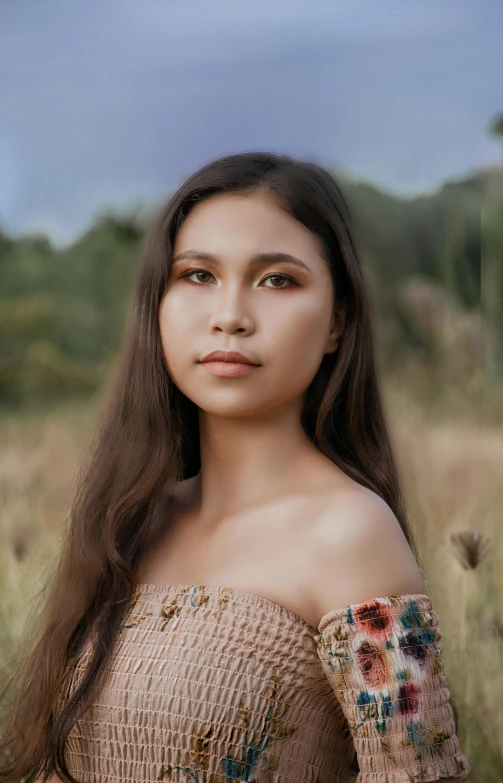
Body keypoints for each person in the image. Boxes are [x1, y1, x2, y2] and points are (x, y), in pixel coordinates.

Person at [0, 151, 471, 782]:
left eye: (277, 279)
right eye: (197, 276)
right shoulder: (132, 520)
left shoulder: (350, 535)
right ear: (157, 305)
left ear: (337, 320)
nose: (230, 315)